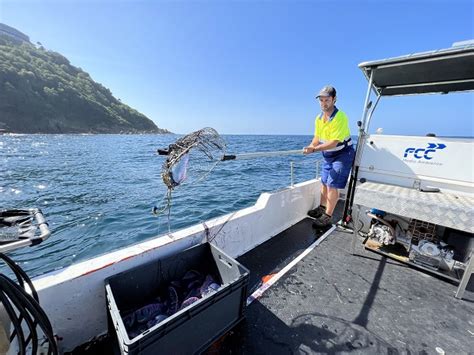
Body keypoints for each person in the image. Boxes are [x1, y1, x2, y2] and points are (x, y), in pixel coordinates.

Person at [303, 85, 354, 227]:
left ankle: (327, 216)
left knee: (332, 184)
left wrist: (315, 149)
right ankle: (322, 207)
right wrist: (311, 146)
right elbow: (316, 138)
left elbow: (333, 142)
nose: (323, 103)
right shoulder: (319, 118)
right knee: (324, 182)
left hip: (343, 154)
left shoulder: (340, 117)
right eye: (321, 100)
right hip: (329, 155)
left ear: (334, 99)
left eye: (327, 100)